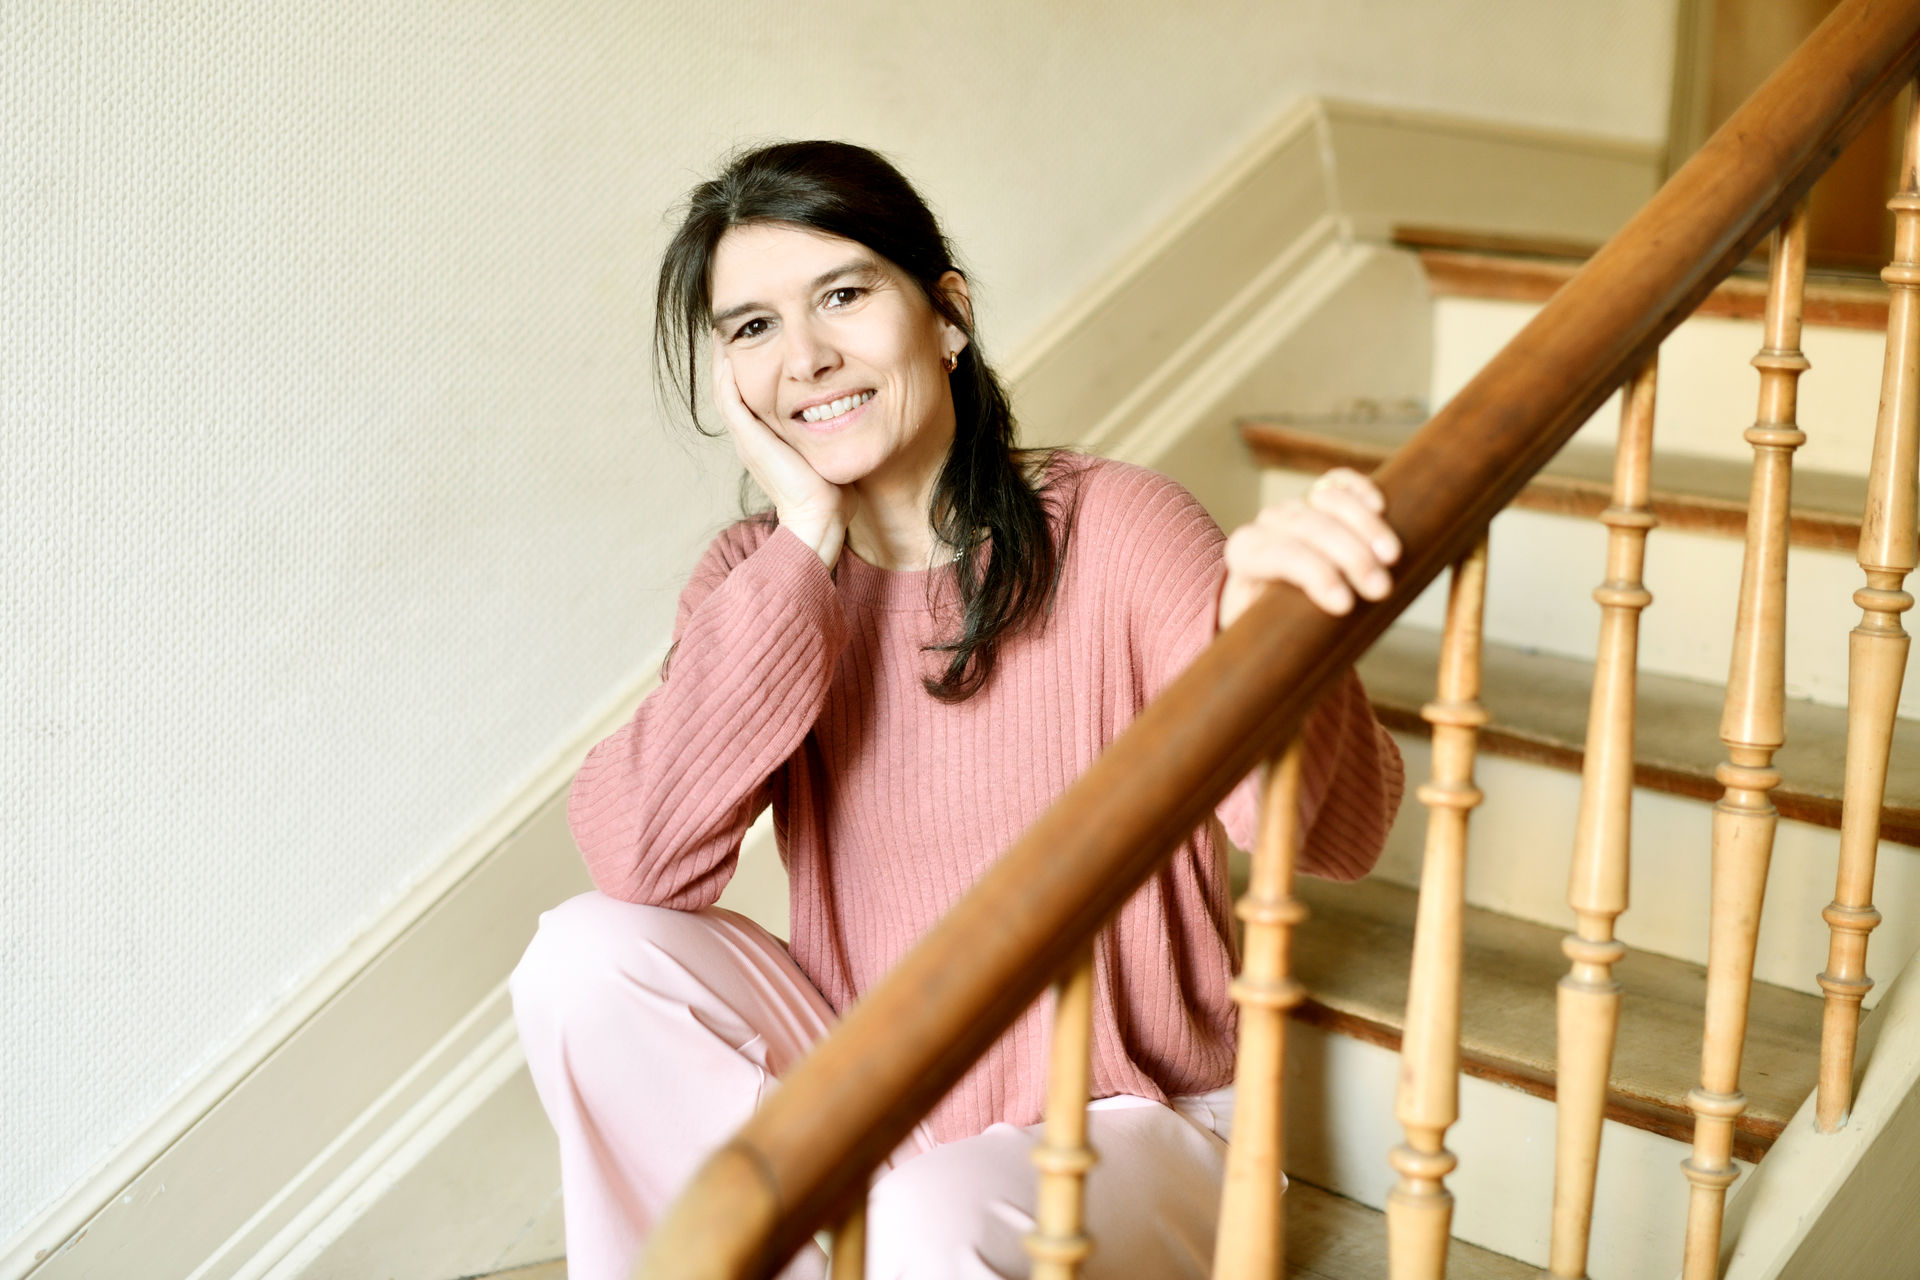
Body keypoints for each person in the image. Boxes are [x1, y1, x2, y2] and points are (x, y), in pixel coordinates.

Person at [508, 140, 1406, 1280]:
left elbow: (1337, 834)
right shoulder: (759, 572)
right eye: (752, 328)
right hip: (885, 1091)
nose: (807, 358)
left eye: (842, 294)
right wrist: (800, 542)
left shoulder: (1119, 526)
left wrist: (1287, 643)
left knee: (930, 1221)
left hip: (1132, 1119)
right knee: (581, 956)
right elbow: (640, 858)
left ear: (946, 316)